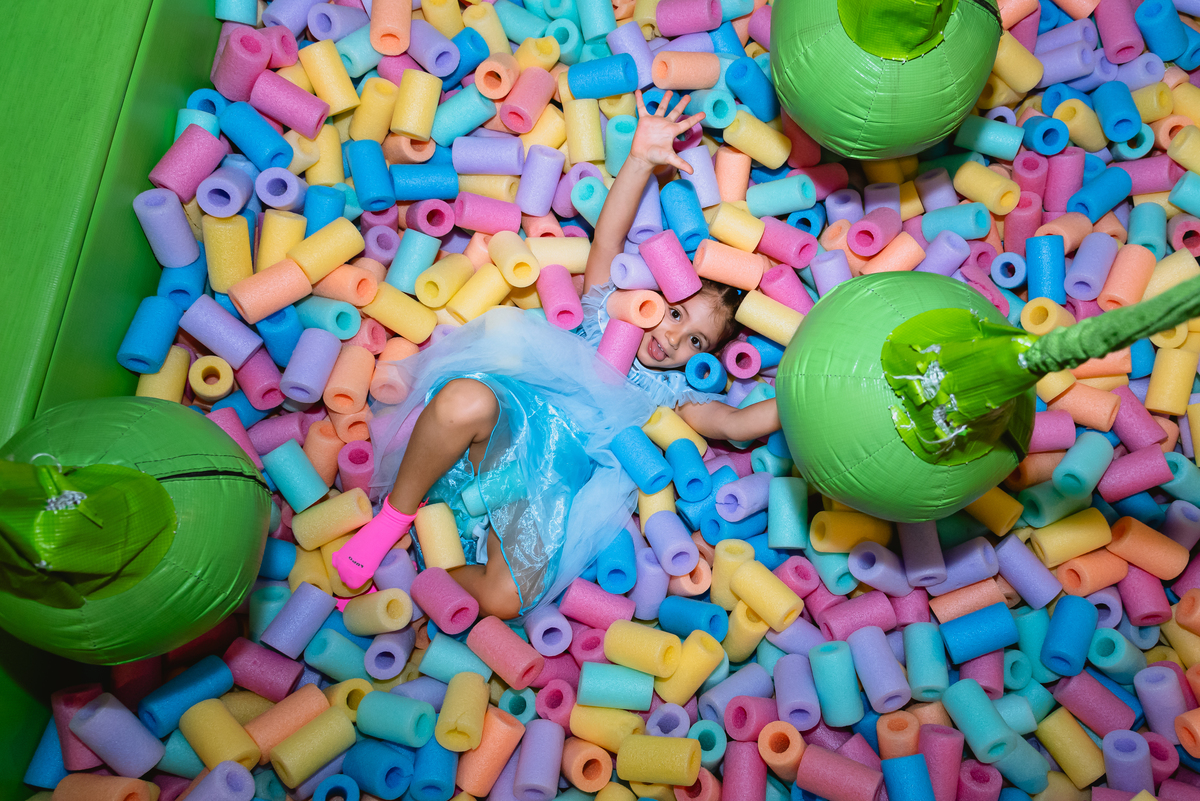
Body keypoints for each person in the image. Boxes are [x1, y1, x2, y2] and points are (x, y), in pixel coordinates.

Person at [332, 90, 781, 619]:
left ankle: (419, 575)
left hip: (547, 485)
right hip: (508, 422)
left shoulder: (674, 394)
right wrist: (640, 159)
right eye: (676, 313)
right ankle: (394, 520)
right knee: (463, 400)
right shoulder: (605, 313)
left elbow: (737, 424)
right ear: (655, 290)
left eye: (697, 343)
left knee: (505, 598)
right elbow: (608, 238)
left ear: (703, 361)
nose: (675, 339)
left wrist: (810, 389)